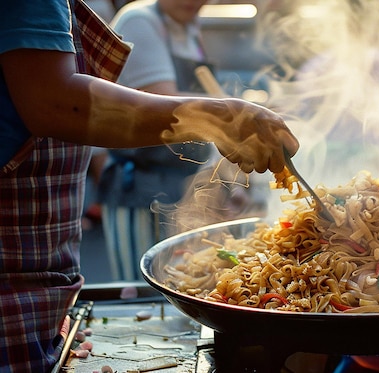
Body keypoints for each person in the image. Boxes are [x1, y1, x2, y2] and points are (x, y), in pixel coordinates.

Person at [0, 1, 299, 372]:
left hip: (43, 283)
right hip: (17, 274)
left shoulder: (190, 31)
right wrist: (219, 117)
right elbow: (54, 102)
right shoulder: (142, 21)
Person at [98, 0, 258, 281]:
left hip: (187, 191)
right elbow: (167, 107)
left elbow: (210, 129)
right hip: (142, 191)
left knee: (189, 283)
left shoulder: (190, 29)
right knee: (145, 296)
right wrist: (242, 111)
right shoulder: (140, 21)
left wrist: (229, 184)